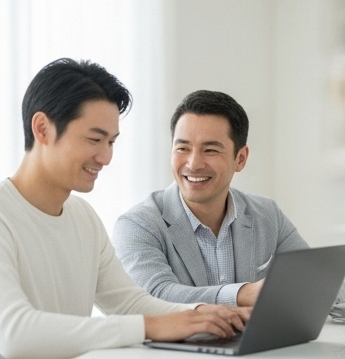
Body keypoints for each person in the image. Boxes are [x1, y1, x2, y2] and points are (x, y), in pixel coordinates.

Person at [0, 59, 248, 359]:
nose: (105, 157)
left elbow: (129, 303)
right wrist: (150, 327)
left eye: (111, 142)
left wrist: (206, 314)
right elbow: (13, 333)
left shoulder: (83, 218)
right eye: (94, 139)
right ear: (42, 128)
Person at [113, 90, 345, 308]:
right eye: (182, 148)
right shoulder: (138, 224)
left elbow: (331, 289)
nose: (193, 164)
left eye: (211, 150)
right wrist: (244, 294)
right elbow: (153, 297)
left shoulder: (267, 215)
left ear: (241, 158)